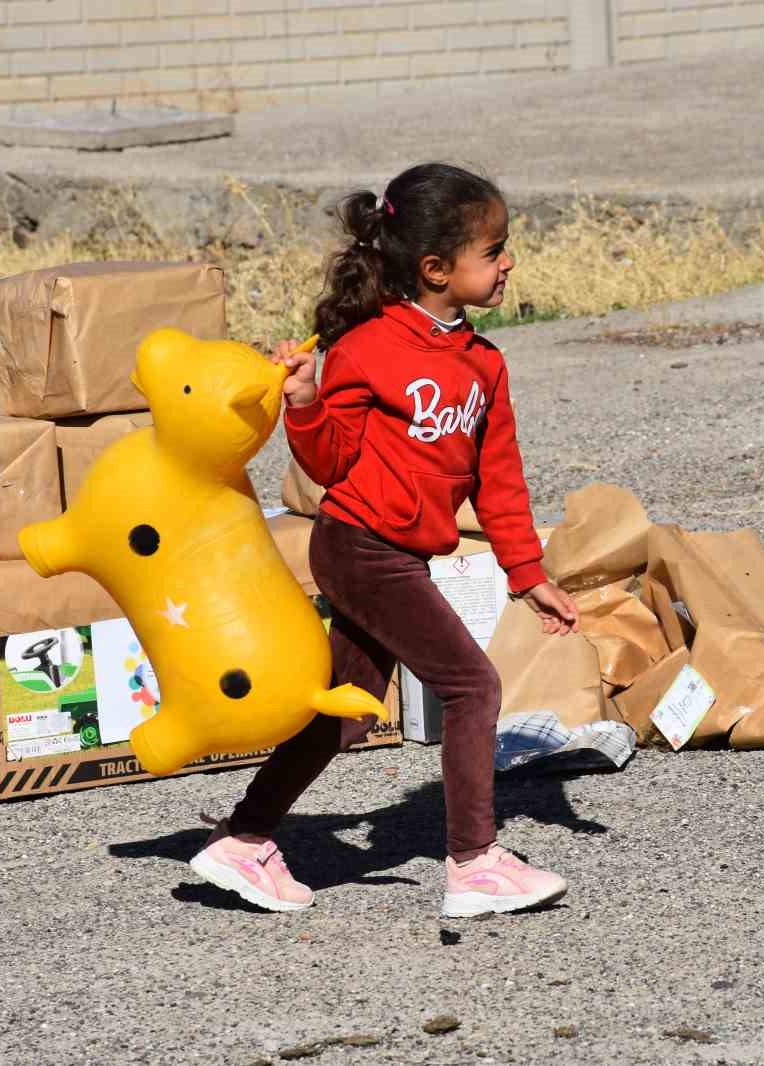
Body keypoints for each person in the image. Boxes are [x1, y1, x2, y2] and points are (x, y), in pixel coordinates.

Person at [189, 162, 581, 919]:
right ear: (436, 268)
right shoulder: (367, 348)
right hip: (359, 548)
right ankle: (474, 864)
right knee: (474, 687)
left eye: (505, 248)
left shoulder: (484, 364)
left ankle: (243, 841)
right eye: (493, 251)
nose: (507, 264)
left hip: (396, 557)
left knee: (345, 709)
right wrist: (304, 401)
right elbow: (330, 462)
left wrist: (527, 574)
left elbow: (499, 481)